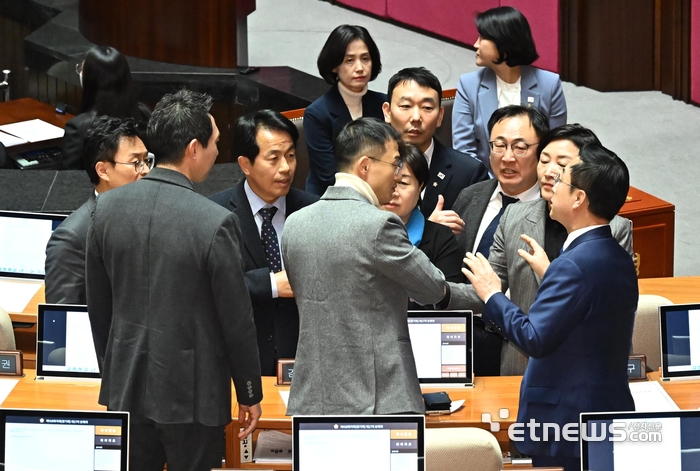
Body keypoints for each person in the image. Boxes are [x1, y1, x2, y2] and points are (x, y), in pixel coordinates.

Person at [86, 89, 262, 471]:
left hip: (126, 385)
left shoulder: (105, 210)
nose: (219, 152)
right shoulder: (214, 221)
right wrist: (249, 391)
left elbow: (98, 307)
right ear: (194, 148)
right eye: (216, 143)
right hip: (194, 397)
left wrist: (114, 368)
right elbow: (236, 320)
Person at [460, 143, 638, 470]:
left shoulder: (574, 265)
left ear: (579, 198)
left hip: (564, 423)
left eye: (562, 181)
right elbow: (590, 316)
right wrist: (552, 272)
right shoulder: (612, 254)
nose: (552, 184)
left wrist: (493, 294)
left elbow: (535, 339)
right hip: (601, 412)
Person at [282, 118, 449, 415]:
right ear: (365, 167)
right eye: (395, 164)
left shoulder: (294, 224)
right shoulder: (380, 224)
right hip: (379, 401)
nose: (398, 176)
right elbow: (432, 288)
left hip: (311, 401)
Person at [452, 123, 634, 376]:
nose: (550, 173)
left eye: (562, 166)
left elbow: (602, 311)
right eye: (544, 160)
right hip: (520, 368)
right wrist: (431, 289)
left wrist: (550, 274)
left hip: (580, 372)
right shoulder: (514, 216)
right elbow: (485, 287)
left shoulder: (613, 230)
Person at [210, 109, 318, 375]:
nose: (286, 168)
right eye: (274, 158)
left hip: (307, 361)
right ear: (246, 164)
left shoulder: (314, 211)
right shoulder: (215, 213)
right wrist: (271, 284)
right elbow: (209, 283)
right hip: (240, 363)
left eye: (291, 156)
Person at [451, 105, 547, 376]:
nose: (507, 158)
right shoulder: (471, 196)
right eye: (499, 146)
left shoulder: (552, 212)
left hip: (518, 341)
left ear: (540, 151)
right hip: (462, 334)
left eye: (520, 147)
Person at [45, 116, 151, 304]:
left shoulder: (152, 216)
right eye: (136, 162)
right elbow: (62, 319)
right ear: (102, 170)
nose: (145, 170)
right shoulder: (73, 238)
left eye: (147, 160)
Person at [452, 6, 567, 173]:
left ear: (503, 43)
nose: (475, 44)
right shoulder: (468, 85)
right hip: (486, 182)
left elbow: (555, 146)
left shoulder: (549, 84)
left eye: (482, 37)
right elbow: (464, 151)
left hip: (535, 182)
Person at [382, 67, 489, 234]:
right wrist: (430, 229)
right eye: (406, 106)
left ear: (440, 116)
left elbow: (473, 239)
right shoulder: (370, 164)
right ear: (387, 112)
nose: (416, 117)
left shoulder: (469, 173)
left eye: (426, 108)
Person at [304, 24, 386, 196]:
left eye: (365, 58)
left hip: (379, 195)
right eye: (350, 60)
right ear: (334, 66)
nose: (360, 68)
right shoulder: (317, 114)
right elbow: (328, 176)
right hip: (330, 200)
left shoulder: (384, 104)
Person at [379, 142, 462, 294]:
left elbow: (451, 301)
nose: (394, 191)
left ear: (420, 188)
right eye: (387, 181)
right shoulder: (357, 230)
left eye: (403, 183)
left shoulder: (441, 238)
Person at [62, 46, 150, 170]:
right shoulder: (144, 114)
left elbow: (70, 177)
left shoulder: (78, 128)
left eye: (82, 69)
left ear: (90, 80)